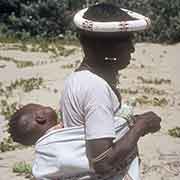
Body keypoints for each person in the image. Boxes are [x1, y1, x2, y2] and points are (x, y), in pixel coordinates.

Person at [60, 2, 161, 180]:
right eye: (126, 41)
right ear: (102, 45)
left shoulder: (77, 79)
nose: (132, 48)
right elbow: (102, 163)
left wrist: (130, 123)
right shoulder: (95, 88)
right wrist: (141, 126)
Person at [9, 103, 136, 180]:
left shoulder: (41, 159)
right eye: (39, 106)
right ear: (40, 118)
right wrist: (125, 117)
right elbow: (105, 133)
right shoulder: (53, 143)